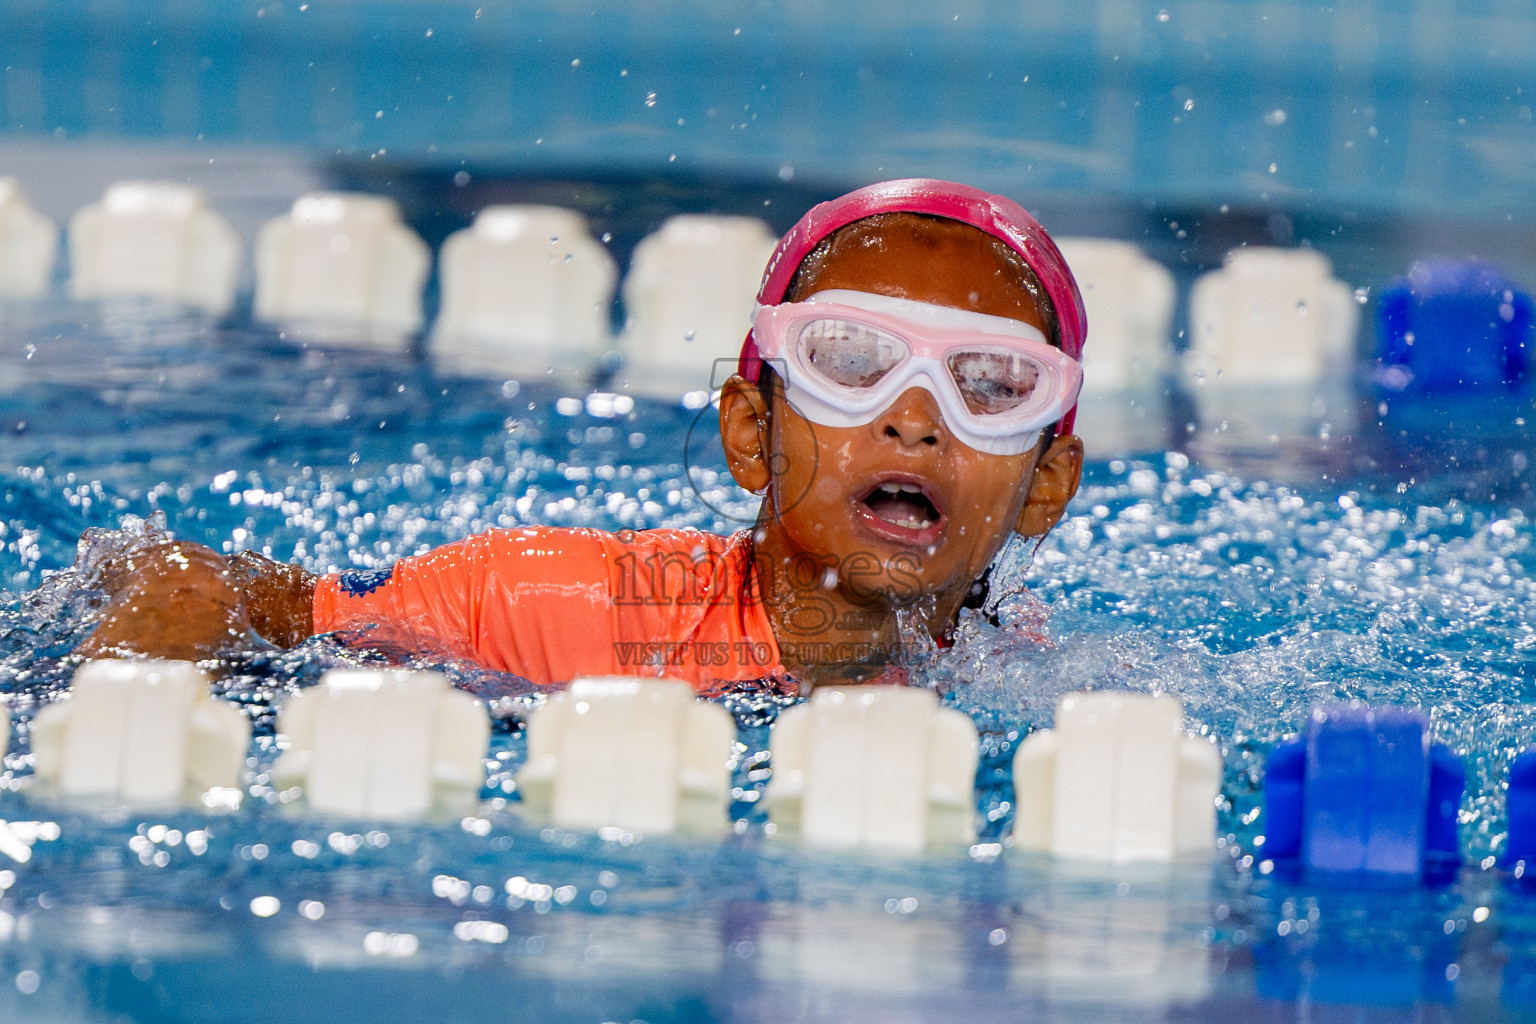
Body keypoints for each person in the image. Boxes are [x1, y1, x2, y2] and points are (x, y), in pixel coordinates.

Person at [75, 179, 1087, 694]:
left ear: (1046, 483)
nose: (914, 416)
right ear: (749, 433)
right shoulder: (561, 606)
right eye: (851, 360)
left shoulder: (1030, 677)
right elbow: (203, 587)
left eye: (991, 385)